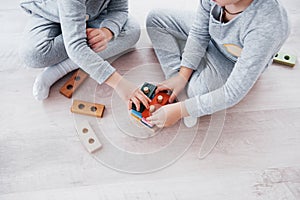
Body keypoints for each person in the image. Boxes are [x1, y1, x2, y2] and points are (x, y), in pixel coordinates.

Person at [146, 0, 290, 127]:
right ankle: (177, 82)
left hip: (231, 61)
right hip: (213, 37)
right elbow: (199, 33)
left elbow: (233, 93)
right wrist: (182, 76)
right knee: (155, 20)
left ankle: (184, 87)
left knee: (197, 92)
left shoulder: (266, 25)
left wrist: (181, 110)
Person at [19, 0, 150, 111]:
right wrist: (120, 83)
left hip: (94, 14)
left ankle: (66, 64)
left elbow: (119, 9)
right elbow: (76, 47)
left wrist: (107, 31)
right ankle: (61, 67)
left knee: (132, 30)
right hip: (53, 13)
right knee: (33, 54)